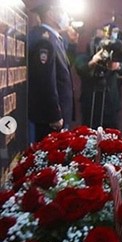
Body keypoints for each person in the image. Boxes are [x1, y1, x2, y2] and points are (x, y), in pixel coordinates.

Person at [28, 0, 74, 141]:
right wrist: (54, 114)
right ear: (51, 14)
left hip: (58, 115)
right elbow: (46, 80)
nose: (66, 16)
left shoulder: (55, 38)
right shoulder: (45, 40)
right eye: (62, 11)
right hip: (50, 118)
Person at [75, 26, 122, 129]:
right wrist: (93, 62)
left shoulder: (115, 61)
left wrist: (117, 66)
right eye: (99, 40)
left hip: (111, 110)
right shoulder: (84, 58)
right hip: (91, 109)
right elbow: (81, 69)